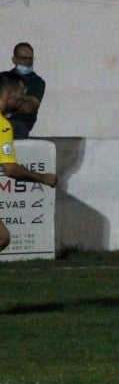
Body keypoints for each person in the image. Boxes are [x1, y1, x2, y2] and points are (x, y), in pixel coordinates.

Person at [0, 72, 57, 250]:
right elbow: (9, 169)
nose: (23, 99)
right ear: (9, 95)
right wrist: (42, 178)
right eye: (21, 94)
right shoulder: (2, 126)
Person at [6, 42, 45, 139]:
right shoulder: (4, 78)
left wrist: (6, 101)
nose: (28, 61)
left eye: (30, 58)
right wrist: (20, 101)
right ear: (14, 60)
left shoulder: (37, 82)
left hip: (20, 124)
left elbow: (29, 108)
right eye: (24, 58)